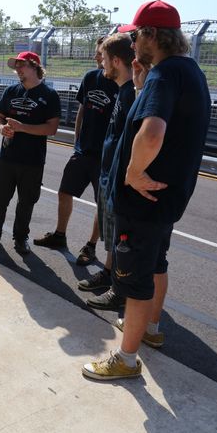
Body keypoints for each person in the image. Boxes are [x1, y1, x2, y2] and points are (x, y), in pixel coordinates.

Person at [82, 0, 211, 380]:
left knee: (133, 279)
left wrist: (134, 172)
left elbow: (152, 131)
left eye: (136, 35)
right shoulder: (188, 72)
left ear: (153, 35)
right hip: (167, 199)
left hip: (143, 201)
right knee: (156, 263)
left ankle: (125, 359)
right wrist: (140, 87)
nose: (133, 43)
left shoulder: (164, 75)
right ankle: (150, 330)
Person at [33, 37, 118, 265]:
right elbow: (82, 110)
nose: (96, 57)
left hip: (105, 157)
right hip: (83, 151)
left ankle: (90, 246)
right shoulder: (91, 77)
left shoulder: (122, 85)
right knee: (64, 191)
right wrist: (77, 141)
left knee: (101, 204)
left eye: (100, 53)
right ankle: (60, 235)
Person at [0, 51, 61, 254]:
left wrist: (23, 128)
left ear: (34, 66)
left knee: (26, 203)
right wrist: (0, 128)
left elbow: (52, 129)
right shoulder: (11, 91)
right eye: (16, 67)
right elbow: (0, 117)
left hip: (32, 161)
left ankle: (21, 238)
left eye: (22, 66)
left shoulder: (49, 95)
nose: (18, 70)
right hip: (7, 158)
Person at [76, 33, 136, 312]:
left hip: (118, 177)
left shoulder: (130, 95)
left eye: (103, 56)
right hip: (107, 170)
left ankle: (119, 289)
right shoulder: (124, 91)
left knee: (120, 237)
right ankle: (110, 275)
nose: (100, 61)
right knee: (111, 234)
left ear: (115, 60)